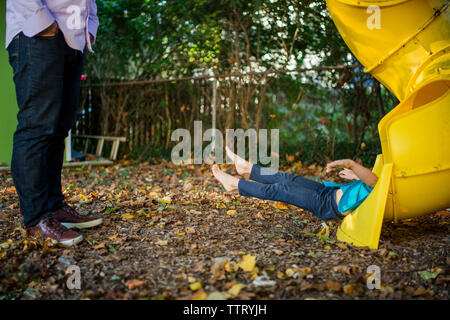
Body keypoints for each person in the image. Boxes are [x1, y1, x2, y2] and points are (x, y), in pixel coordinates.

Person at [6, 1, 102, 246]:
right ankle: (37, 218)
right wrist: (43, 23)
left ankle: (53, 207)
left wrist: (90, 26)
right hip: (37, 32)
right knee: (37, 126)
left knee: (59, 128)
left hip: (73, 38)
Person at [211, 147, 378, 220]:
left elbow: (375, 184)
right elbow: (371, 184)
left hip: (327, 205)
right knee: (287, 178)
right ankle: (247, 168)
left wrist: (351, 164)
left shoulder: (382, 185)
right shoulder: (384, 180)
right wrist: (356, 177)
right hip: (327, 192)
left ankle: (234, 184)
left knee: (282, 189)